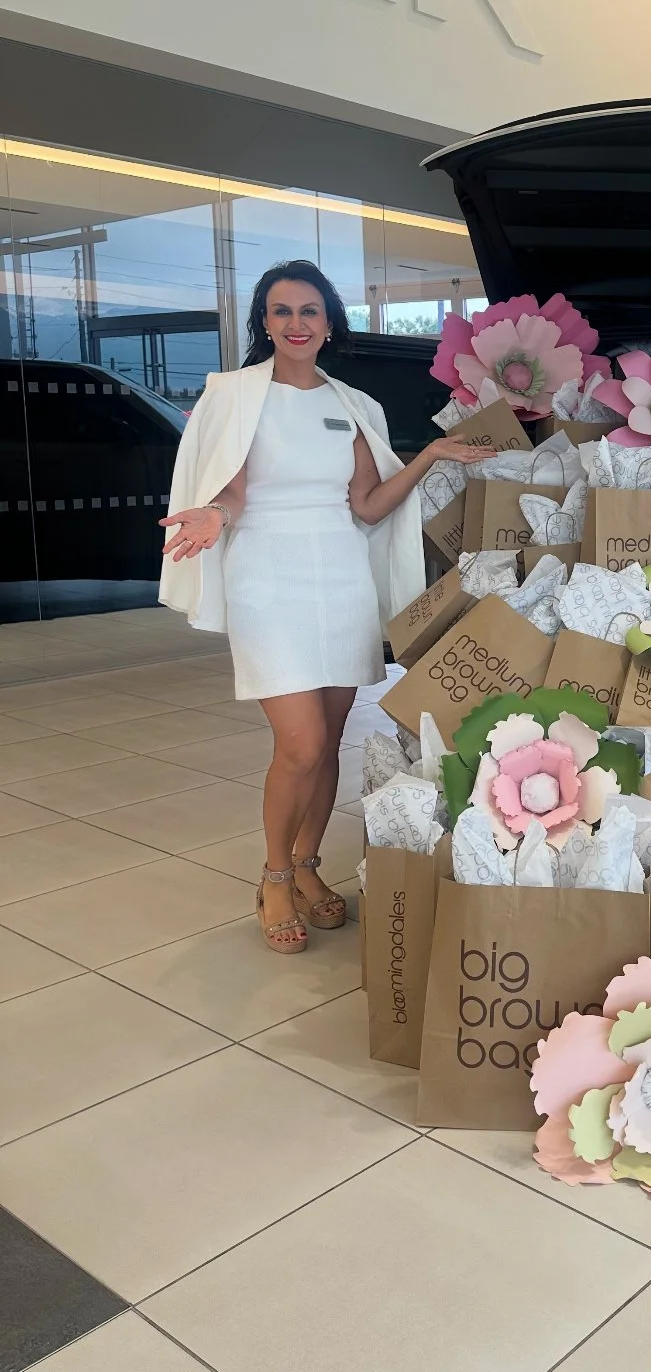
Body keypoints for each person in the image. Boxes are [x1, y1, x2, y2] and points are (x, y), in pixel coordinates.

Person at [159, 260, 483, 953]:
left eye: (310, 310)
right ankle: (273, 873)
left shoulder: (352, 405)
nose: (297, 323)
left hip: (339, 576)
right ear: (265, 323)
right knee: (299, 742)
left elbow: (366, 506)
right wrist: (215, 515)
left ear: (329, 322)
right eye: (282, 311)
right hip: (267, 576)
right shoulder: (238, 396)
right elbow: (234, 492)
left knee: (328, 739)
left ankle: (308, 865)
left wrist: (425, 456)